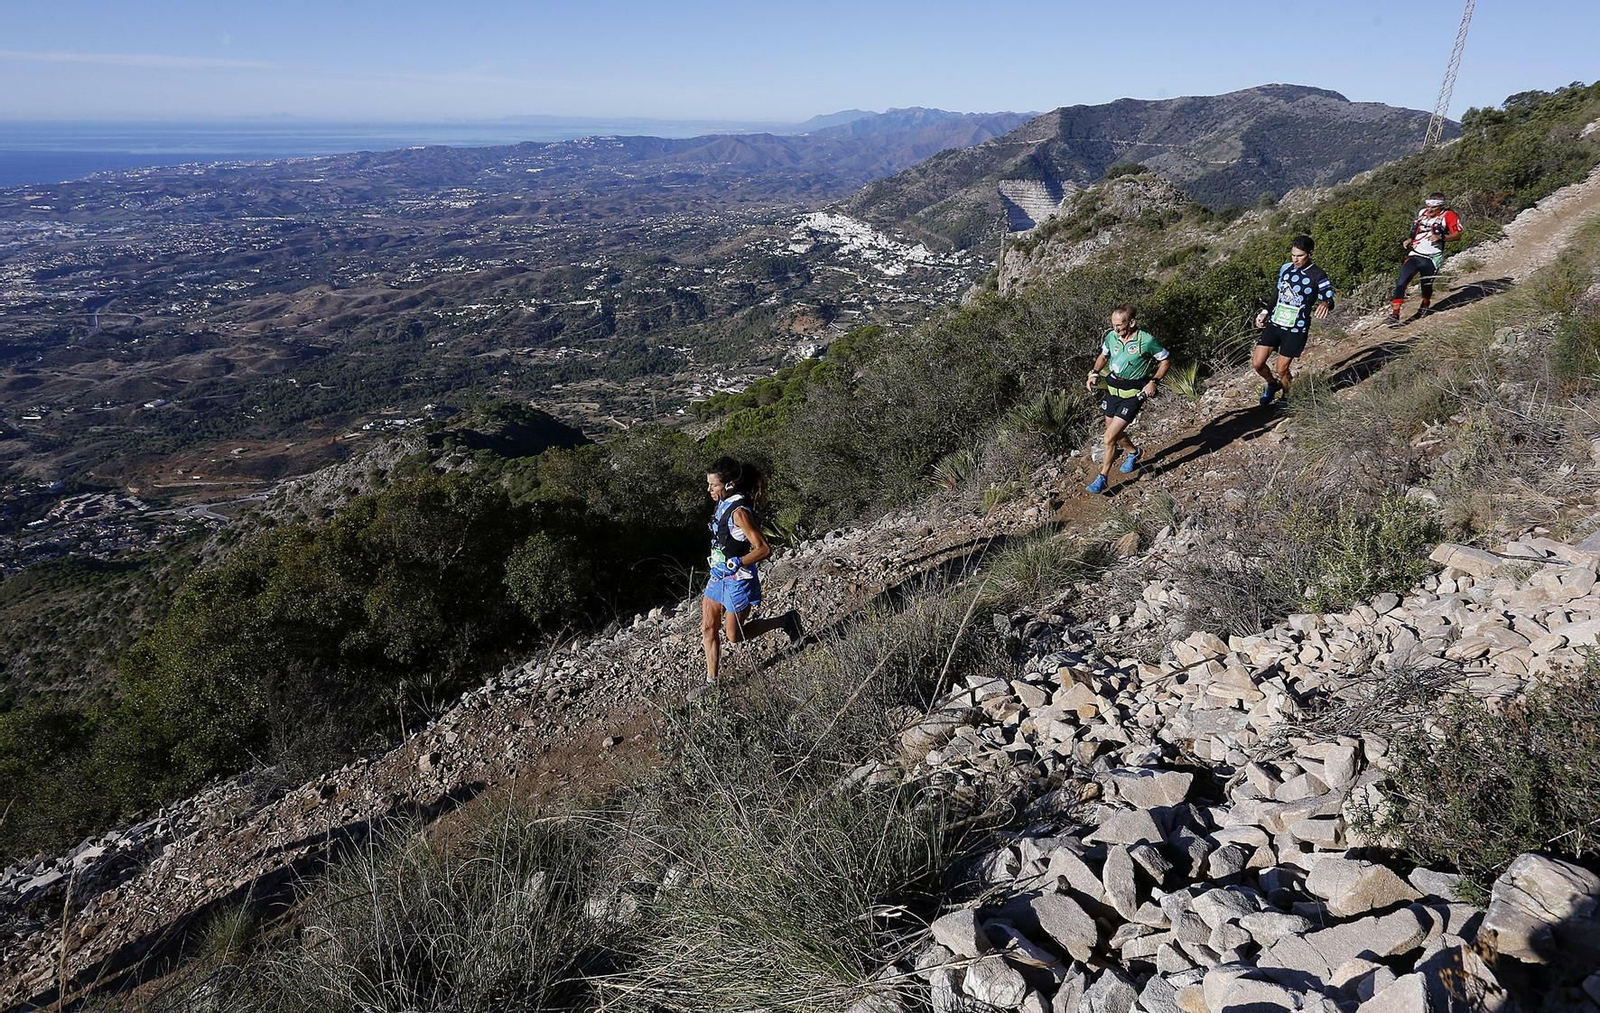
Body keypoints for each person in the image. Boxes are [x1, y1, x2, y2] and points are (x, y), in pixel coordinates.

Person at [700, 456, 802, 684]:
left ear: (729, 485)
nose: (709, 489)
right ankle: (711, 683)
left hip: (738, 579)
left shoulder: (739, 513)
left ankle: (786, 621)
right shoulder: (722, 503)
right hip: (718, 576)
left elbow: (764, 549)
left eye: (713, 485)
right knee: (708, 628)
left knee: (734, 636)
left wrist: (738, 562)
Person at [1084, 305, 1170, 495]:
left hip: (1133, 393)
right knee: (1113, 433)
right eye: (1114, 325)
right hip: (1113, 389)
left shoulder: (1146, 340)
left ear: (1132, 322)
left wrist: (1153, 381)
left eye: (1120, 325)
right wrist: (1094, 372)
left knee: (1108, 437)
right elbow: (1103, 356)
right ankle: (1134, 452)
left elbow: (1165, 360)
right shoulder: (1111, 337)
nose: (1116, 329)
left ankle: (1103, 477)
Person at [1253, 235, 1335, 405]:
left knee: (1281, 368)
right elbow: (1277, 293)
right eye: (1293, 255)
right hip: (1276, 323)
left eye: (1300, 255)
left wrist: (1326, 304)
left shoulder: (1318, 275)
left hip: (1296, 328)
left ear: (1310, 253)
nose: (1295, 259)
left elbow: (1328, 298)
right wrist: (1265, 311)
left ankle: (1287, 397)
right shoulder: (1286, 269)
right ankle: (1272, 384)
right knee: (1258, 363)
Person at [1388, 192, 1462, 326]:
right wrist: (1410, 239)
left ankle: (1425, 304)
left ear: (1441, 206)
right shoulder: (1422, 213)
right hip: (1415, 254)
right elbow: (1417, 230)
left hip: (1432, 257)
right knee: (1401, 282)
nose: (1429, 210)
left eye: (1433, 207)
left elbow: (1458, 235)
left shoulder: (1449, 216)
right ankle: (1395, 314)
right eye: (1428, 206)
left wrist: (1442, 238)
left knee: (1426, 285)